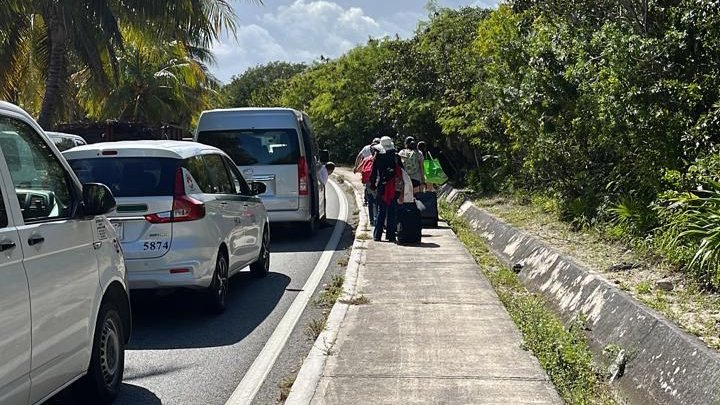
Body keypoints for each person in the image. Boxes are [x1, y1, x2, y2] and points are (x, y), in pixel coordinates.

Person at [369, 136, 403, 242]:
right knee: (392, 211)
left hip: (382, 186)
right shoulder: (396, 156)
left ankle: (377, 235)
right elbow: (402, 171)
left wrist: (373, 185)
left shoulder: (378, 156)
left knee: (381, 210)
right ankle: (391, 235)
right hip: (394, 187)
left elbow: (373, 172)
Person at [358, 148, 378, 225]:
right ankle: (377, 219)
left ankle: (371, 220)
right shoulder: (379, 159)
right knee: (378, 201)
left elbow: (360, 170)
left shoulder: (366, 159)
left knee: (370, 201)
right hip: (377, 182)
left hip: (368, 182)